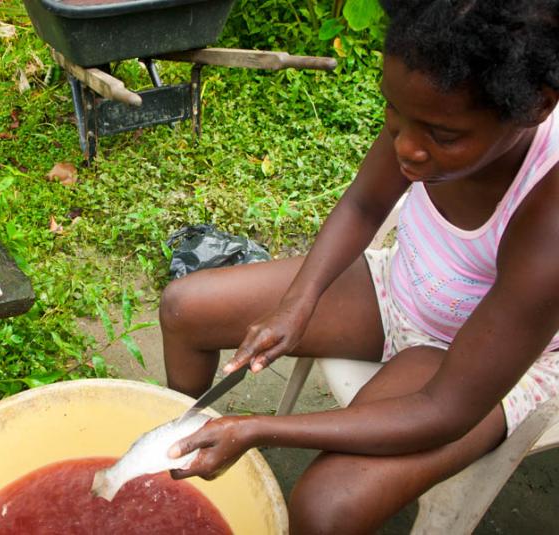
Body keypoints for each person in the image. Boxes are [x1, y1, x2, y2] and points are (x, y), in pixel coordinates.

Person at [159, 1, 559, 532]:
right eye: (396, 114)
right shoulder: (439, 96)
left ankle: (221, 444)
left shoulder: (550, 207)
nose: (408, 150)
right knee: (185, 307)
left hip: (483, 367)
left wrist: (257, 428)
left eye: (441, 136)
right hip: (404, 286)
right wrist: (296, 305)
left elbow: (445, 408)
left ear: (534, 107)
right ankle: (172, 462)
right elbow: (364, 206)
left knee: (326, 510)